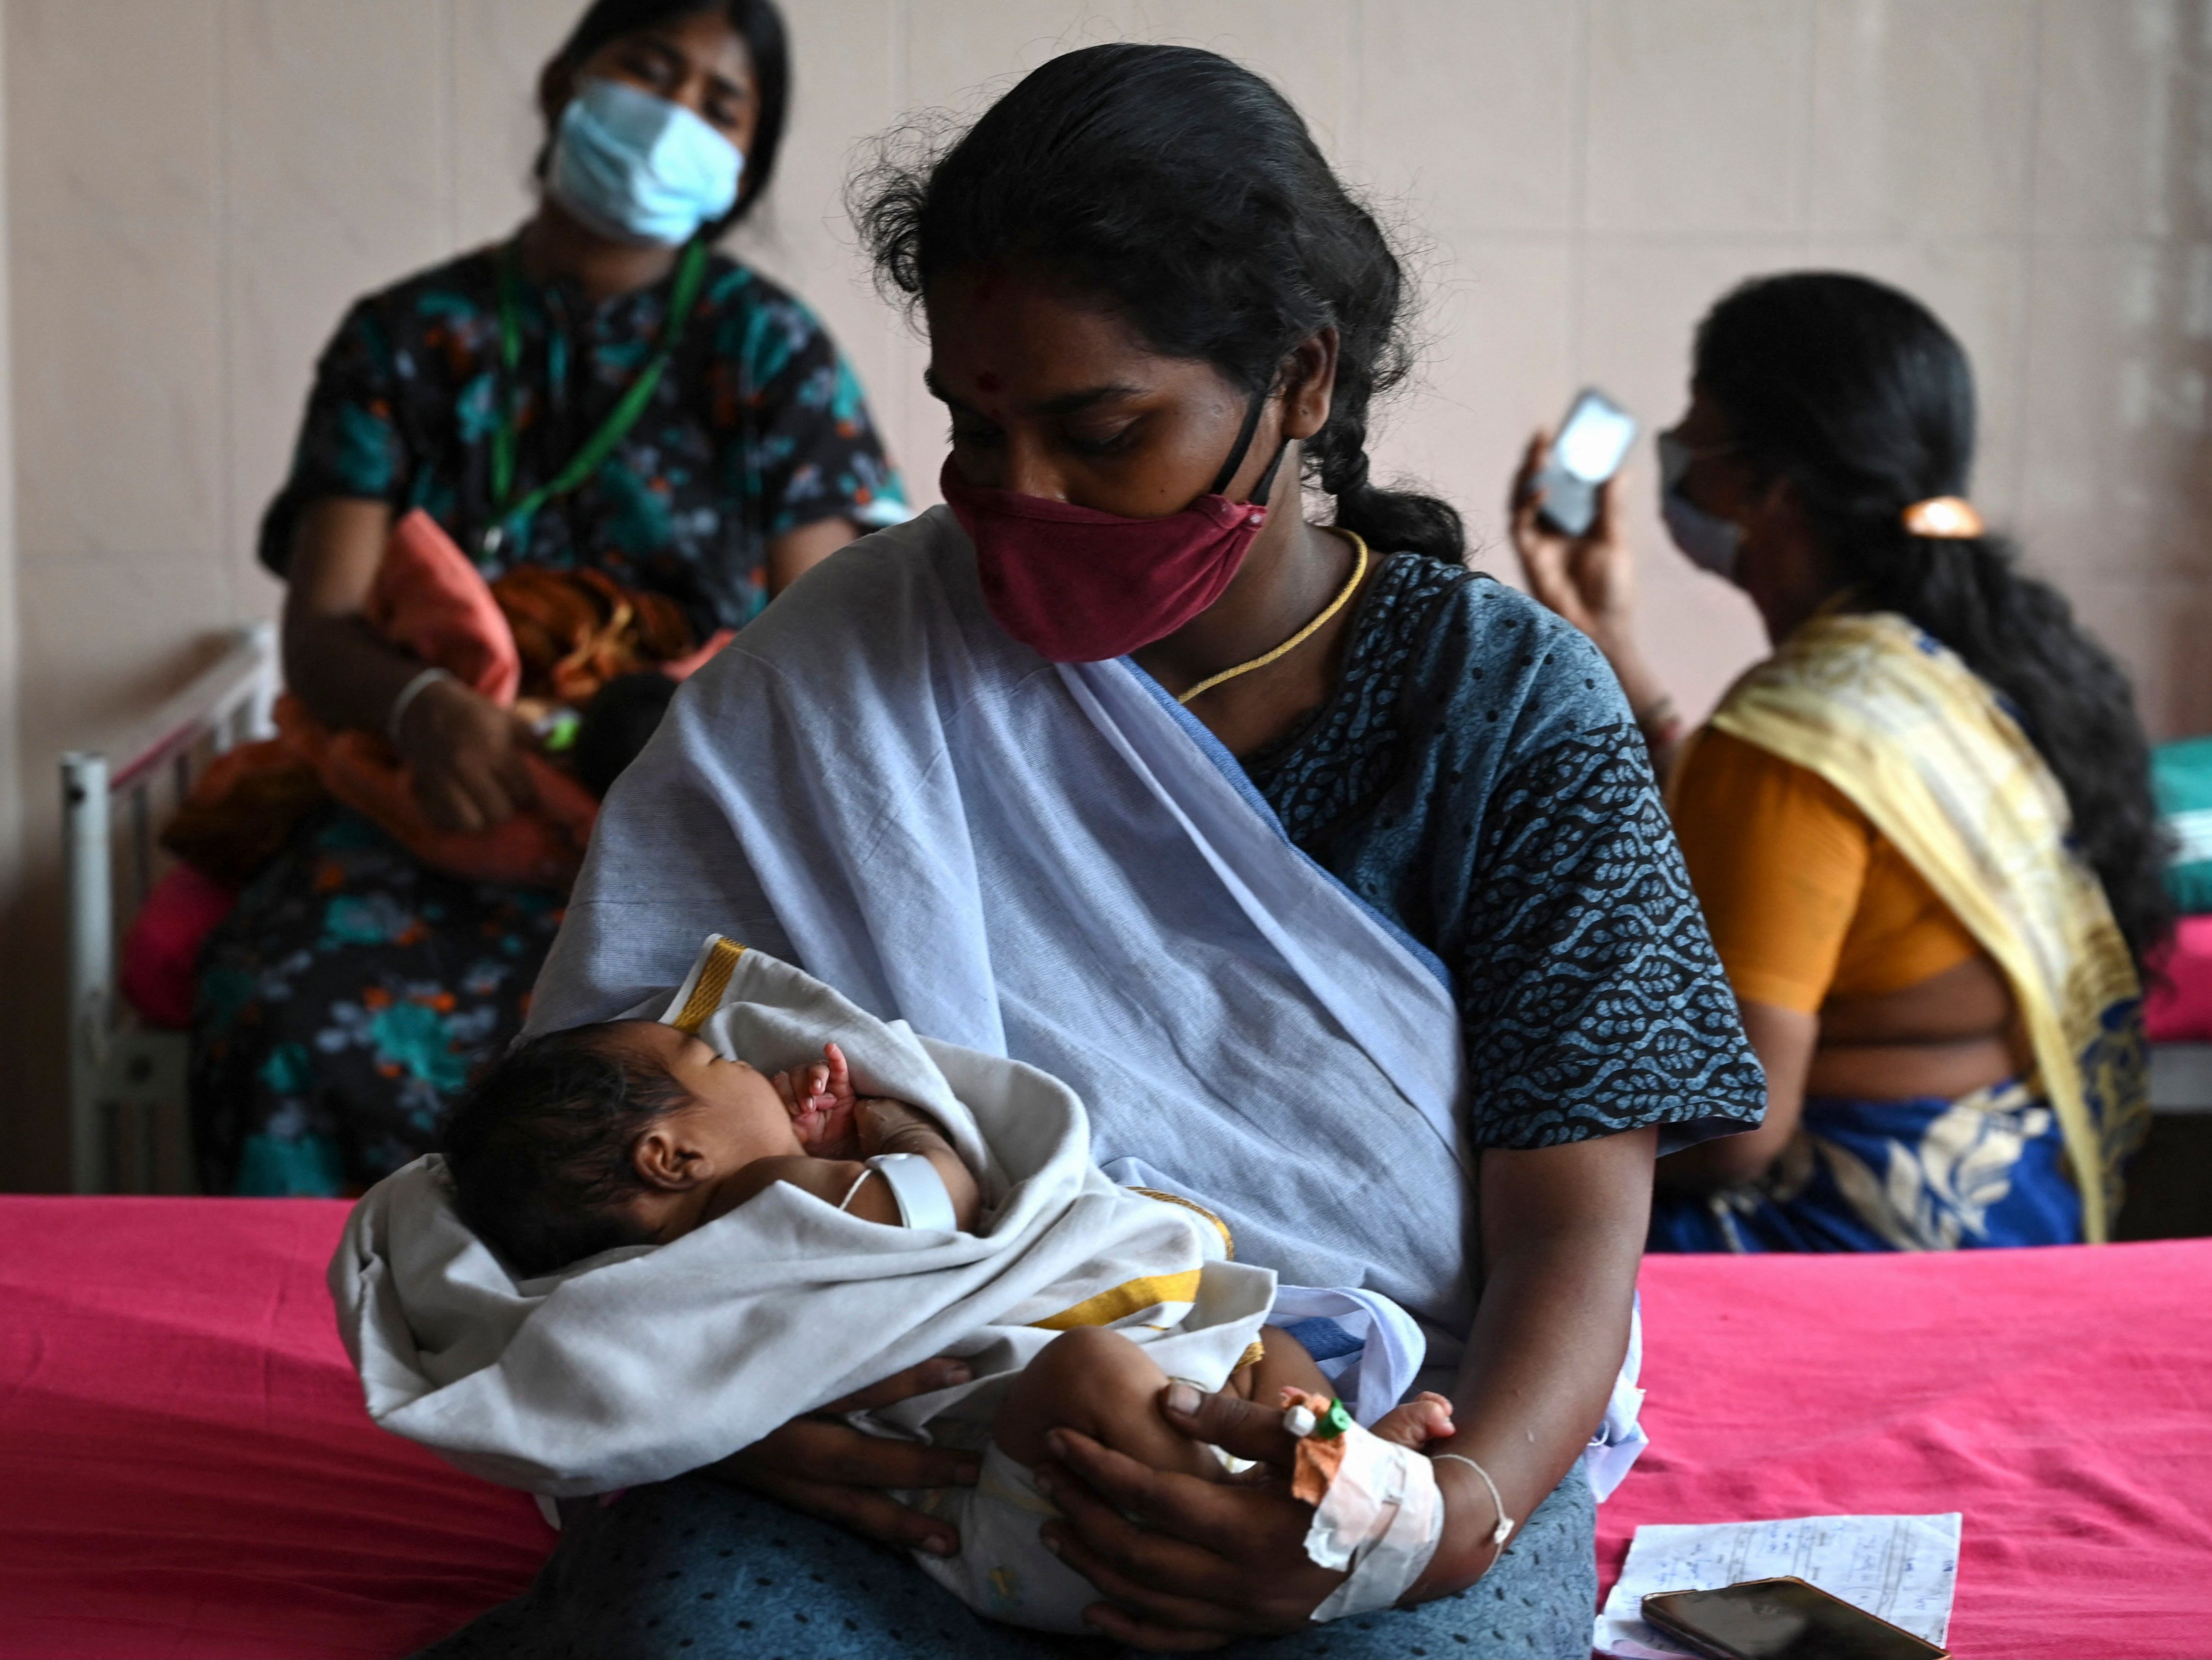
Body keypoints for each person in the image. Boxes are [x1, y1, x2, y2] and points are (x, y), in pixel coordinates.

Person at [419, 43, 1761, 1659]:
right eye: (973, 434)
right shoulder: (845, 661)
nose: (1017, 497)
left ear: (1300, 384)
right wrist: (736, 1405)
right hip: (901, 1417)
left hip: (1374, 1418)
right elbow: (613, 1132)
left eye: (1098, 431)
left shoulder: (1507, 709)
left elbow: (1571, 1222)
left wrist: (1444, 1516)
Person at [190, 0, 906, 1197]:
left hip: (680, 823)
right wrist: (421, 705)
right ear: (569, 80)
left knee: (677, 1078)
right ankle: (299, 1357)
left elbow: (820, 635)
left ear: (743, 162)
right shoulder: (405, 339)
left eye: (719, 105)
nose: (673, 114)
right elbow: (320, 631)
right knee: (275, 1013)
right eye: (647, 69)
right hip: (436, 808)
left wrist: (659, 740)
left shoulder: (766, 351)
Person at [360, 936, 1455, 1637]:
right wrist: (891, 1121)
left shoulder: (654, 1281)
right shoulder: (772, 1212)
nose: (751, 1064)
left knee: (1266, 1350)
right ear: (671, 1160)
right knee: (1101, 1369)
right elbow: (939, 1199)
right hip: (1058, 1513)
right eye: (717, 1069)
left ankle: (1327, 1467)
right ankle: (1337, 1517)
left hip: (1034, 1497)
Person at [1513, 272, 2169, 1254]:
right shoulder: (1962, 663)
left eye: (1697, 436)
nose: (1679, 467)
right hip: (2020, 1201)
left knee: (1485, 1239)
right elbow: (1788, 850)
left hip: (1858, 1226)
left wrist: (1506, 1155)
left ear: (1769, 486)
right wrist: (1604, 633)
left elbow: (1734, 1129)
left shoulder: (1784, 742)